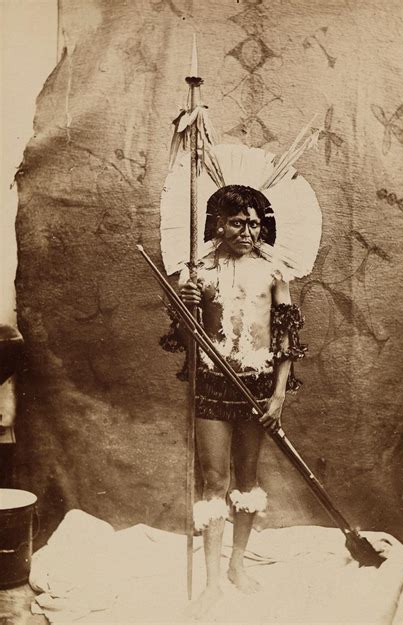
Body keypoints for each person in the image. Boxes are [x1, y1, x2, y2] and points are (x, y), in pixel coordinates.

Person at [161, 184, 306, 617]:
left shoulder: (274, 272)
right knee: (213, 482)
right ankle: (211, 583)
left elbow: (287, 338)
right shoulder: (198, 272)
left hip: (258, 387)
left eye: (255, 224)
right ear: (219, 224)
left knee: (247, 479)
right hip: (212, 384)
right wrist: (185, 306)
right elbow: (185, 339)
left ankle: (237, 565)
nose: (248, 232)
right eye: (238, 223)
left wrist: (278, 396)